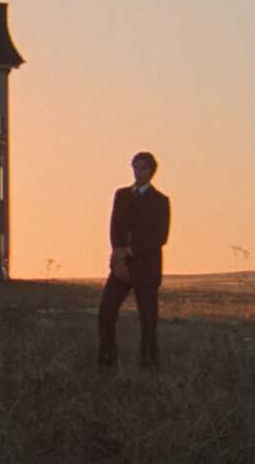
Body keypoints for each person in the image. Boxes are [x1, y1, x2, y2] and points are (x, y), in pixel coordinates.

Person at [98, 151, 171, 370]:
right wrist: (118, 258)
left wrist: (130, 251)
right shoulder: (121, 195)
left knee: (148, 321)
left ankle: (149, 367)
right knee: (106, 312)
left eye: (142, 168)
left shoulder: (160, 201)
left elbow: (160, 237)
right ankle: (107, 362)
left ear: (151, 172)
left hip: (147, 268)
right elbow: (114, 228)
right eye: (135, 167)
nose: (138, 172)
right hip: (121, 266)